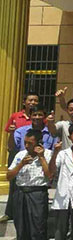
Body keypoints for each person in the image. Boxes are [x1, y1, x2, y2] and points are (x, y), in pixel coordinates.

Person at [6, 129, 54, 240]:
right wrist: (20, 165)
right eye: (25, 143)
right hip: (20, 192)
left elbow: (50, 175)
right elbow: (8, 176)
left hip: (37, 193)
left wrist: (41, 157)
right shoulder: (20, 155)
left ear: (38, 143)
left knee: (38, 230)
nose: (27, 146)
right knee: (22, 230)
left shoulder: (48, 154)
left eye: (30, 143)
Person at [1, 91, 39, 224]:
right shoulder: (15, 116)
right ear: (24, 102)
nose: (32, 103)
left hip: (33, 153)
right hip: (17, 152)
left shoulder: (39, 117)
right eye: (30, 100)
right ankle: (9, 212)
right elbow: (9, 137)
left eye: (35, 100)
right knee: (14, 183)